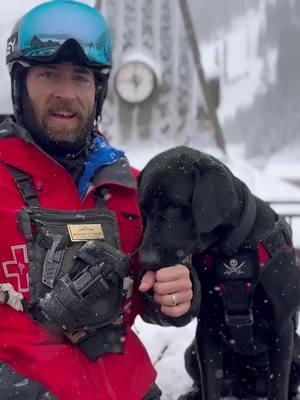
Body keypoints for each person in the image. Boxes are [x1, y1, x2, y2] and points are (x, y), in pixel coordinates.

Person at [0, 1, 201, 399]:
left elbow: (150, 292)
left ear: (98, 91)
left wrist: (174, 293)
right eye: (47, 74)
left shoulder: (133, 188)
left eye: (80, 77)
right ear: (19, 85)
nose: (65, 93)